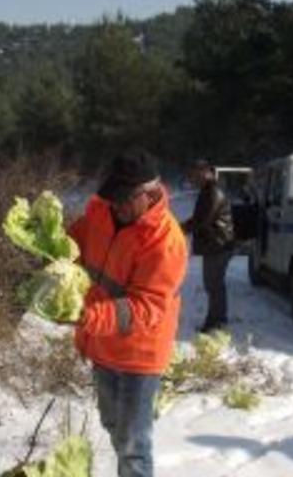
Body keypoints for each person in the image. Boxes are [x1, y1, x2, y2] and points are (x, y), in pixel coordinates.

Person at [68, 149, 188, 477]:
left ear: (149, 194)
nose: (116, 206)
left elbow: (147, 306)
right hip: (102, 346)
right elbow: (73, 245)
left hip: (140, 355)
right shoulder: (101, 212)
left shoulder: (166, 242)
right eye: (112, 198)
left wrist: (89, 316)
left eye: (123, 199)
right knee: (113, 426)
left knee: (134, 447)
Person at [182, 159, 235, 333]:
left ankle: (217, 324)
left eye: (196, 175)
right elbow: (200, 218)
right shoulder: (208, 190)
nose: (193, 180)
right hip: (215, 244)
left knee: (214, 285)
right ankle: (216, 321)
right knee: (213, 285)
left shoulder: (213, 192)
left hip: (218, 245)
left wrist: (180, 229)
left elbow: (203, 220)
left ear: (205, 173)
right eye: (192, 176)